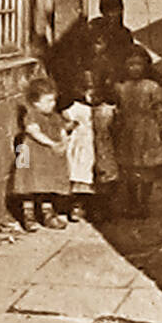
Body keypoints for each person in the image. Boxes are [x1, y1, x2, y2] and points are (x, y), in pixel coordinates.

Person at [114, 48, 162, 218]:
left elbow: (160, 108)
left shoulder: (152, 86)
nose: (135, 68)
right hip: (127, 130)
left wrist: (159, 125)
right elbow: (117, 107)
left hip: (147, 130)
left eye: (138, 64)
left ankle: (144, 203)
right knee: (129, 168)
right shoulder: (120, 87)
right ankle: (132, 202)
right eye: (130, 65)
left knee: (146, 169)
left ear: (146, 65)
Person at [12, 76, 71, 231]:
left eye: (53, 101)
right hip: (30, 153)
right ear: (35, 102)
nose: (53, 104)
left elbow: (62, 130)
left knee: (47, 183)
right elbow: (33, 132)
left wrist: (63, 142)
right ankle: (28, 215)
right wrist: (51, 143)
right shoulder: (32, 115)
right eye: (48, 101)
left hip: (47, 157)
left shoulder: (55, 117)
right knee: (28, 184)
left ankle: (48, 213)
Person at [62, 71, 98, 221]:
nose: (91, 94)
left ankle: (96, 207)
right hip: (82, 146)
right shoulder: (75, 108)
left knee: (97, 175)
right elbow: (67, 124)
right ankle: (77, 206)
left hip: (98, 146)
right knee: (80, 174)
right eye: (87, 89)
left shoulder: (104, 108)